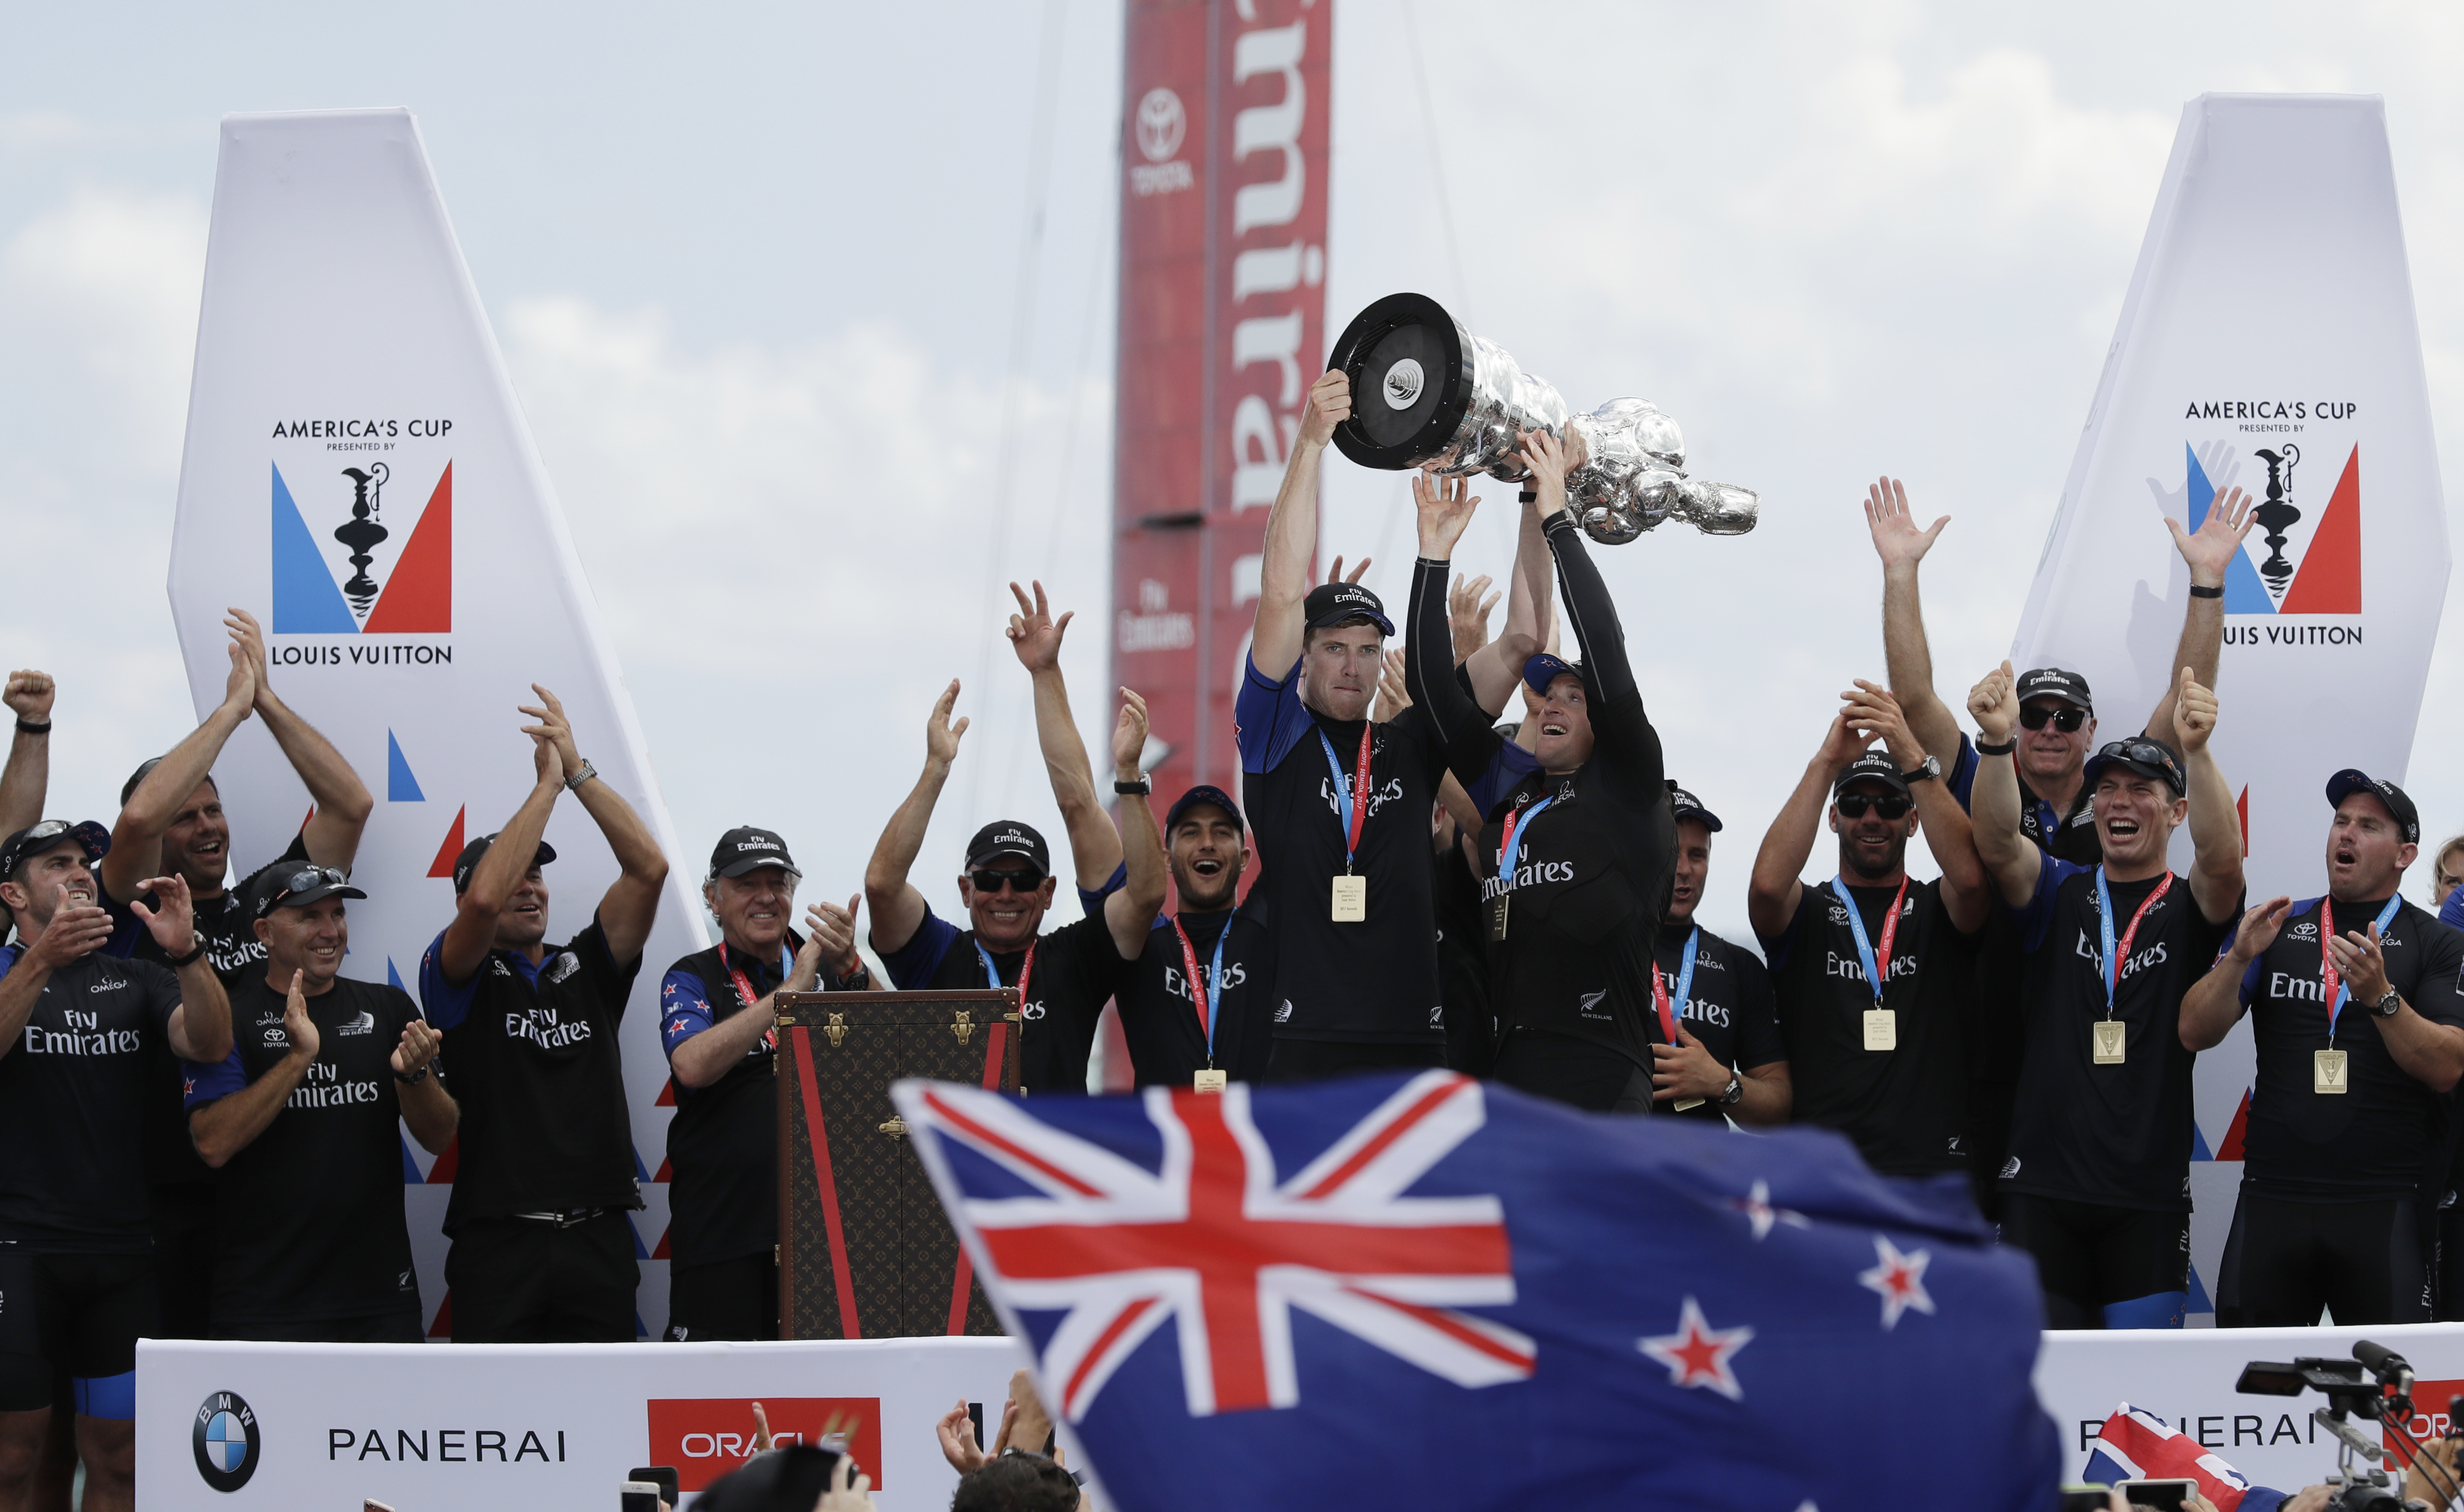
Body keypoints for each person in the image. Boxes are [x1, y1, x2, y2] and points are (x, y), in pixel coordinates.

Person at [1237, 368, 1545, 1079]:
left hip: (1413, 1043)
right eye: (1334, 649)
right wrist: (1312, 442)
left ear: (1384, 658)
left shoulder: (1413, 737)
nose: (1351, 666)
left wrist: (1534, 499)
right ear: (1304, 661)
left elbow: (1525, 639)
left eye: (1367, 650)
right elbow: (1283, 590)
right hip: (1306, 1041)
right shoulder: (1273, 735)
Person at [102, 610, 374, 1345]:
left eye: (214, 808)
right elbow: (133, 825)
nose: (206, 825)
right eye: (185, 816)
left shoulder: (268, 901)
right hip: (169, 1200)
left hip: (273, 1200)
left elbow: (350, 805)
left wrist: (264, 701)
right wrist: (227, 712)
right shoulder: (133, 913)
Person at [1410, 427, 1690, 1111]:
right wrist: (1432, 556)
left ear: (1605, 722)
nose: (1553, 703)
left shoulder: (1627, 784)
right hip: (1511, 1079)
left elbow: (1603, 642)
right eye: (1546, 693)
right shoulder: (1511, 796)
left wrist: (1557, 517)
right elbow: (1432, 695)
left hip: (1604, 1078)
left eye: (1574, 695)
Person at [1969, 662, 2243, 1329]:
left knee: (2141, 1397)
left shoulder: (2188, 906)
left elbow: (2221, 862)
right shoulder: (2059, 889)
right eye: (2107, 790)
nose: (2119, 802)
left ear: (2175, 810)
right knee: (2043, 1389)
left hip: (2143, 1198)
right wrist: (1996, 742)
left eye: (2141, 789)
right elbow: (1999, 842)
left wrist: (2197, 750)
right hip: (2038, 1188)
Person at [416, 685, 668, 1343]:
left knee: (607, 1426)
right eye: (515, 876)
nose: (529, 887)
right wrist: (543, 792)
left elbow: (648, 869)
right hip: (500, 1245)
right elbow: (480, 905)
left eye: (539, 875)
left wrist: (577, 772)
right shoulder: (454, 970)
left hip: (599, 1240)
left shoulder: (586, 963)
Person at [0, 820, 231, 1512]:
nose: (78, 872)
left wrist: (187, 953)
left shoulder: (135, 977)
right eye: (55, 863)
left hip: (121, 1253)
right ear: (12, 892)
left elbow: (211, 1043)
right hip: (18, 1249)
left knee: (121, 1461)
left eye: (83, 861)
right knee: (13, 1457)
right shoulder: (9, 969)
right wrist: (40, 959)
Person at [2183, 770, 2464, 1328]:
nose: (2346, 834)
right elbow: (2194, 1030)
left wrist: (2380, 998)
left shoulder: (2435, 942)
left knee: (2393, 1401)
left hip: (2382, 1203)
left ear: (2403, 854)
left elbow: (2447, 1066)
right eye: (2340, 821)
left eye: (2367, 825)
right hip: (2272, 1196)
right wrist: (2237, 958)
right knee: (2250, 1394)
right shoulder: (2279, 927)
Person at [183, 865, 456, 1341]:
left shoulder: (388, 1007)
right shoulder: (228, 1015)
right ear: (264, 932)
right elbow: (213, 1142)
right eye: (311, 916)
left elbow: (439, 1136)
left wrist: (413, 1076)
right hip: (263, 1302)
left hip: (377, 1298)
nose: (331, 931)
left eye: (338, 913)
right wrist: (298, 1059)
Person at [865, 666, 1162, 1094]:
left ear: (1047, 892)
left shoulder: (1073, 960)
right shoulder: (938, 954)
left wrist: (1130, 773)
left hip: (1050, 1159)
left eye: (1023, 879)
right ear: (966, 891)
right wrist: (936, 769)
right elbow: (881, 886)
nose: (1006, 893)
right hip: (958, 1160)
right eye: (989, 879)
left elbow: (1146, 895)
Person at [1747, 694, 1991, 1180]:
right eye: (1856, 804)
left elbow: (1971, 881)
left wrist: (1910, 755)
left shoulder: (1934, 908)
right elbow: (1767, 887)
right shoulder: (1811, 911)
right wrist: (1826, 763)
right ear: (1834, 819)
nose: (1873, 818)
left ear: (1914, 818)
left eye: (1892, 804)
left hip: (1929, 1167)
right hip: (1823, 1170)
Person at [658, 827, 868, 1342]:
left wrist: (855, 969)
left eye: (777, 883)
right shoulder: (692, 975)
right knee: (714, 1405)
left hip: (825, 1243)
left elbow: (895, 1056)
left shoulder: (829, 966)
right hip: (721, 1237)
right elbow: (690, 1064)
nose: (766, 897)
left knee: (825, 1409)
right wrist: (787, 997)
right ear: (713, 897)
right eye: (746, 883)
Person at [1110, 785, 1276, 1089]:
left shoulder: (1268, 929)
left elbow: (1296, 828)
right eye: (1190, 833)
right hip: (1163, 1136)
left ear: (1243, 858)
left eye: (1222, 832)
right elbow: (1082, 818)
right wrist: (1128, 776)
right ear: (1167, 859)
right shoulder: (1142, 942)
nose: (1207, 843)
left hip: (1252, 1134)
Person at [1650, 784, 1790, 1126]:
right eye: (1671, 851)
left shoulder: (1738, 967)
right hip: (1609, 1168)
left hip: (1702, 1170)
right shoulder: (1604, 950)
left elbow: (1780, 1106)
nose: (1683, 869)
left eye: (1697, 855)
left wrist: (1722, 1083)